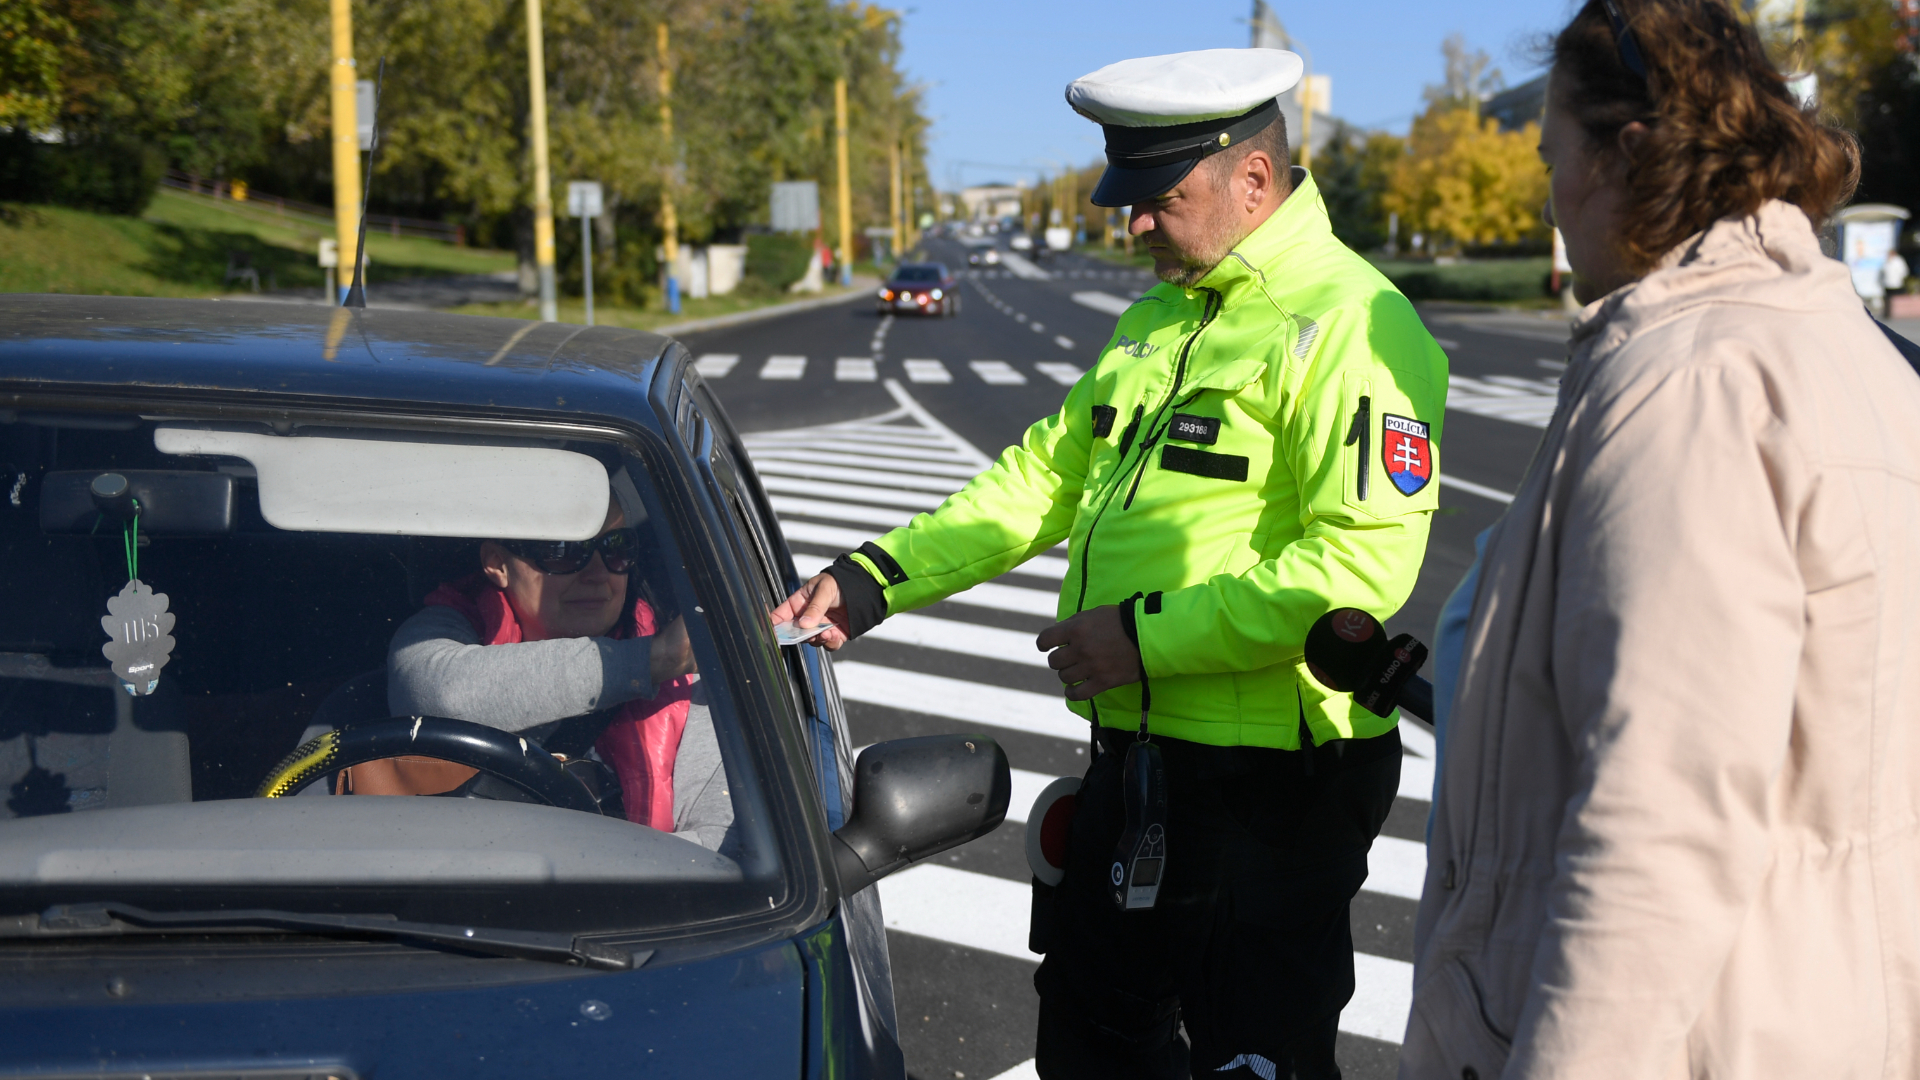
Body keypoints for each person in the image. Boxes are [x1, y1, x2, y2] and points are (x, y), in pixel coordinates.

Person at [773, 48, 1449, 1079]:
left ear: (1253, 181)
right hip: (1142, 765)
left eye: (1160, 197)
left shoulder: (1353, 324)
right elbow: (1044, 478)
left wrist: (1141, 640)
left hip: (1272, 792)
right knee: (1091, 1040)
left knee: (1255, 1059)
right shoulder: (1161, 320)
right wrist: (876, 577)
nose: (1133, 223)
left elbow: (1355, 571)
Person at [1402, 3, 1918, 1077]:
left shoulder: (1689, 383)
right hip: (1816, 1008)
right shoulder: (1848, 348)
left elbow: (1661, 822)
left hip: (1696, 1037)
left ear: (1625, 156)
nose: (1550, 193)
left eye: (1555, 154)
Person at [382, 503, 732, 851]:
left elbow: (720, 847)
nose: (598, 574)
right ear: (497, 563)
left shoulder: (690, 685)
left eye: (617, 549)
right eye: (562, 551)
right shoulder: (444, 632)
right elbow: (442, 697)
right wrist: (653, 659)